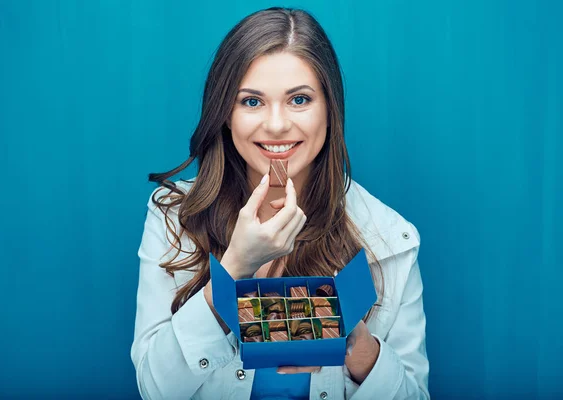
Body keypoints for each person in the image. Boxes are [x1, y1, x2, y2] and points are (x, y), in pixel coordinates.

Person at [130, 6, 429, 400]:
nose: (275, 125)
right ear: (225, 114)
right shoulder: (174, 217)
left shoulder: (392, 240)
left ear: (329, 110)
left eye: (299, 100)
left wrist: (359, 349)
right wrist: (235, 266)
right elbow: (155, 390)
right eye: (251, 102)